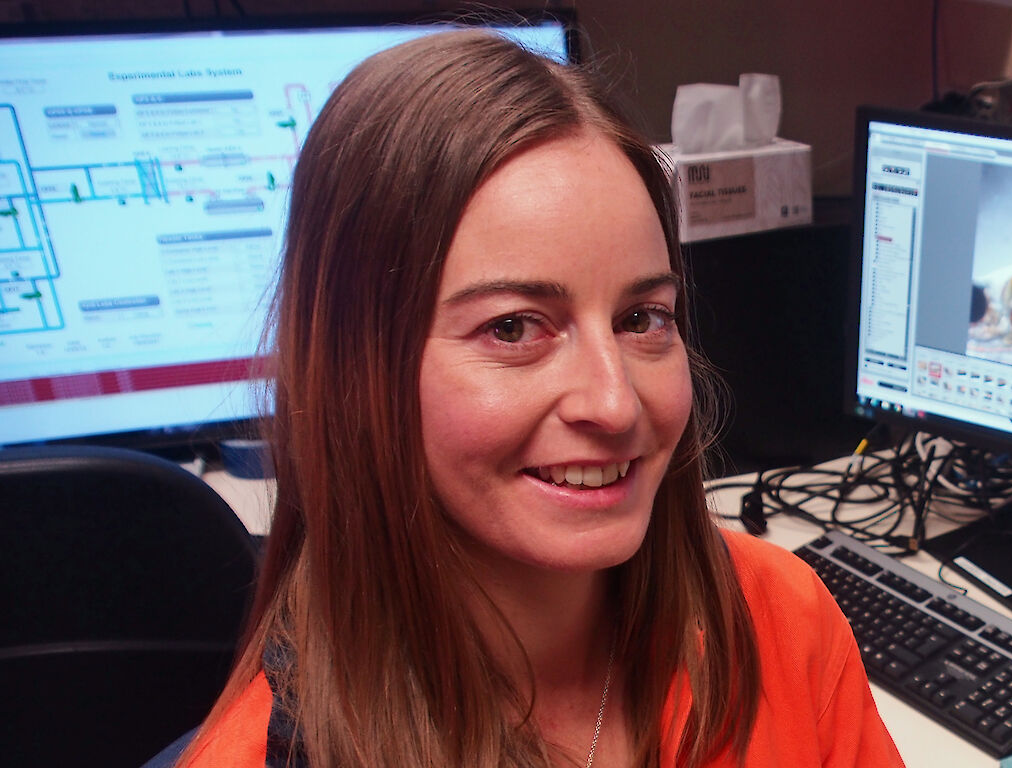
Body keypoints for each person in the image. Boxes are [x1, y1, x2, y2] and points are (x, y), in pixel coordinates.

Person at [178, 29, 904, 767]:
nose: (615, 403)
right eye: (514, 327)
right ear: (357, 374)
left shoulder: (778, 618)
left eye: (641, 319)